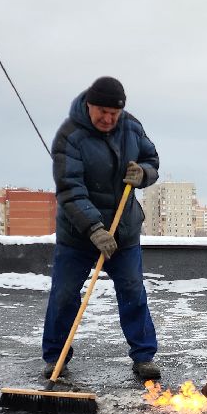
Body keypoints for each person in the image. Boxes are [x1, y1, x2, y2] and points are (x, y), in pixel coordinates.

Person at [43, 75, 162, 382]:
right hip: (79, 236)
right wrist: (94, 228)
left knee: (133, 291)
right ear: (89, 105)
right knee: (65, 295)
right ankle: (56, 357)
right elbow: (70, 189)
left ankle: (144, 356)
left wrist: (144, 173)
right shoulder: (70, 136)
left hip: (124, 231)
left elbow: (151, 159)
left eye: (114, 113)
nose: (108, 119)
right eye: (102, 112)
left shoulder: (131, 127)